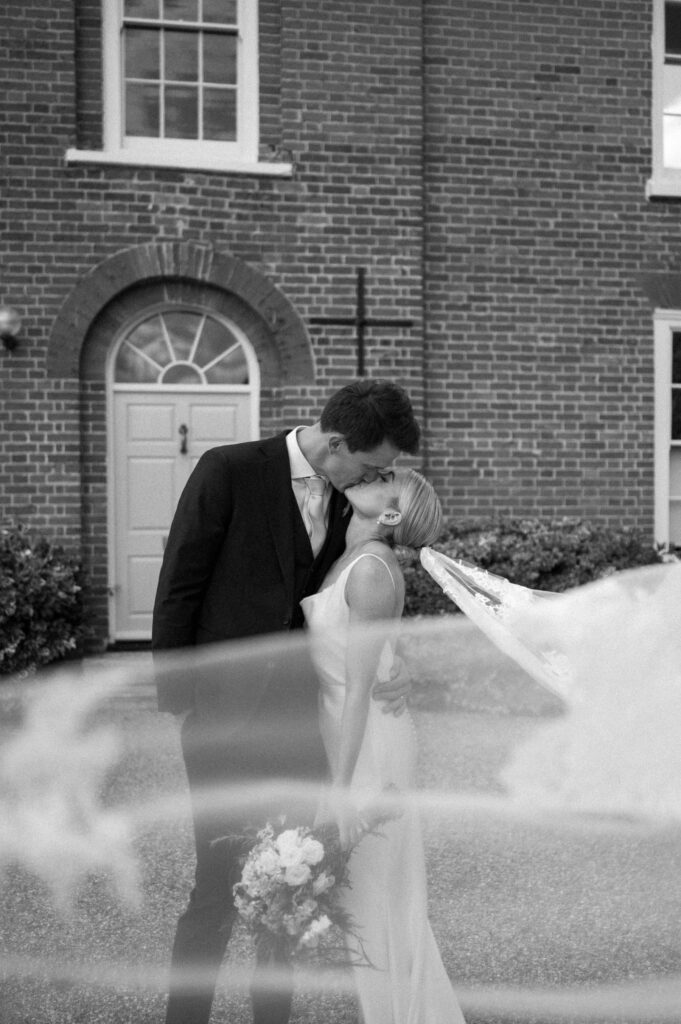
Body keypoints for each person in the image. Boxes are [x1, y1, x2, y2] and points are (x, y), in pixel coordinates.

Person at [151, 379, 421, 1024]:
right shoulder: (228, 470)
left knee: (290, 887)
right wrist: (183, 700)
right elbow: (180, 581)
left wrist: (395, 660)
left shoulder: (352, 504)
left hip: (306, 725)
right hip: (224, 720)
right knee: (215, 887)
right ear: (336, 443)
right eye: (372, 466)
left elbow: (359, 597)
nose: (377, 478)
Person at [301, 467, 467, 1023]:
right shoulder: (350, 556)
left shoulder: (371, 570)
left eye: (384, 480)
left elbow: (357, 690)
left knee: (376, 899)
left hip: (368, 737)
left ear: (391, 514)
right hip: (353, 726)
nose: (372, 475)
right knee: (373, 899)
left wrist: (340, 789)